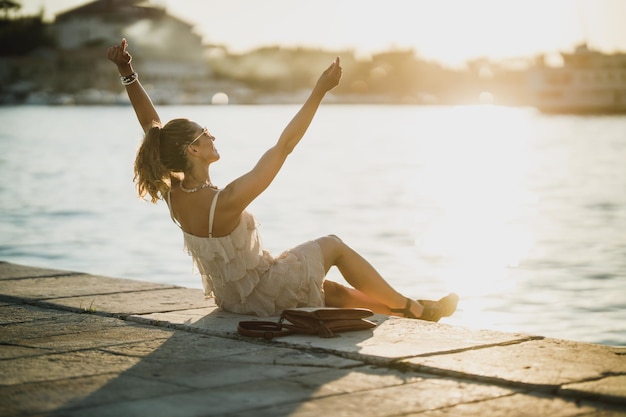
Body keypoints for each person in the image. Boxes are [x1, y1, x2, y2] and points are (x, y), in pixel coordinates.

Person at [107, 38, 458, 321]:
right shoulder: (225, 200)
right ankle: (413, 307)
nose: (213, 136)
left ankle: (406, 310)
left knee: (328, 291)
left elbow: (152, 128)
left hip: (232, 300)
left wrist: (128, 73)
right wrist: (320, 91)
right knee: (332, 244)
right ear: (192, 150)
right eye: (205, 134)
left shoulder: (173, 194)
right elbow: (285, 145)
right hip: (262, 289)